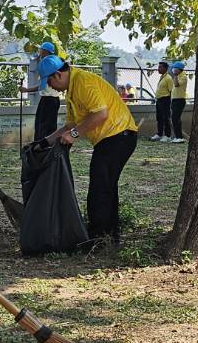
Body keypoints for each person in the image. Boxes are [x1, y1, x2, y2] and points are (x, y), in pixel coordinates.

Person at [39, 55, 138, 244]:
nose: (50, 86)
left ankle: (97, 237)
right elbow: (69, 126)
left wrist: (75, 135)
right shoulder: (71, 92)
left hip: (118, 136)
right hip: (111, 139)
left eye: (50, 81)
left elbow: (101, 114)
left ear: (59, 74)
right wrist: (44, 142)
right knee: (106, 186)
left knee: (99, 187)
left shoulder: (83, 81)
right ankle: (110, 233)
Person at [150, 60, 174, 141]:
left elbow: (171, 91)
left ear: (165, 68)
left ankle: (167, 135)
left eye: (160, 67)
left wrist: (170, 103)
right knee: (159, 118)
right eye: (158, 67)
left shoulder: (168, 78)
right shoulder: (162, 77)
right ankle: (159, 134)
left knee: (166, 118)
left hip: (165, 100)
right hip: (159, 100)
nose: (158, 69)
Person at [170, 61, 189, 142]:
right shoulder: (177, 76)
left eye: (174, 68)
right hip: (174, 100)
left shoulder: (183, 77)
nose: (173, 70)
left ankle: (179, 137)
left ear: (179, 69)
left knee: (176, 118)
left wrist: (175, 75)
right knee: (174, 118)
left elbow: (177, 85)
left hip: (180, 100)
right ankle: (177, 136)